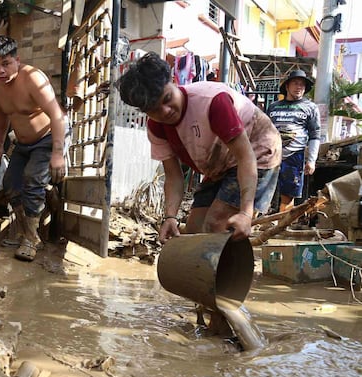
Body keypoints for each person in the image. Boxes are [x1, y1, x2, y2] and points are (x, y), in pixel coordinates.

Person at [116, 52, 282, 243]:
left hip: (258, 151)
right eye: (154, 110)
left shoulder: (213, 101)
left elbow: (245, 157)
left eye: (167, 99)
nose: (166, 112)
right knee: (193, 232)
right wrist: (170, 217)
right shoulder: (156, 127)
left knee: (217, 223)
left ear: (173, 81)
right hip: (220, 163)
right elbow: (173, 176)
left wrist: (246, 213)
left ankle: (228, 271)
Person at [0, 36, 66, 262]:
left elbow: (57, 115)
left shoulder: (33, 78)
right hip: (22, 143)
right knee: (10, 184)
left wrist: (58, 153)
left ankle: (31, 240)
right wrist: (0, 145)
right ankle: (28, 232)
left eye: (6, 63)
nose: (1, 70)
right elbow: (2, 114)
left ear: (17, 60)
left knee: (32, 179)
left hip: (47, 138)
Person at [266, 70, 321, 212]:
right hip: (270, 154)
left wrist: (311, 160)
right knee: (261, 192)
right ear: (287, 86)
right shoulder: (273, 106)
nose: (299, 87)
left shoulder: (310, 107)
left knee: (288, 196)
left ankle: (282, 227)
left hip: (294, 156)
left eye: (302, 85)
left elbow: (315, 135)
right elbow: (264, 131)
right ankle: (253, 226)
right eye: (296, 83)